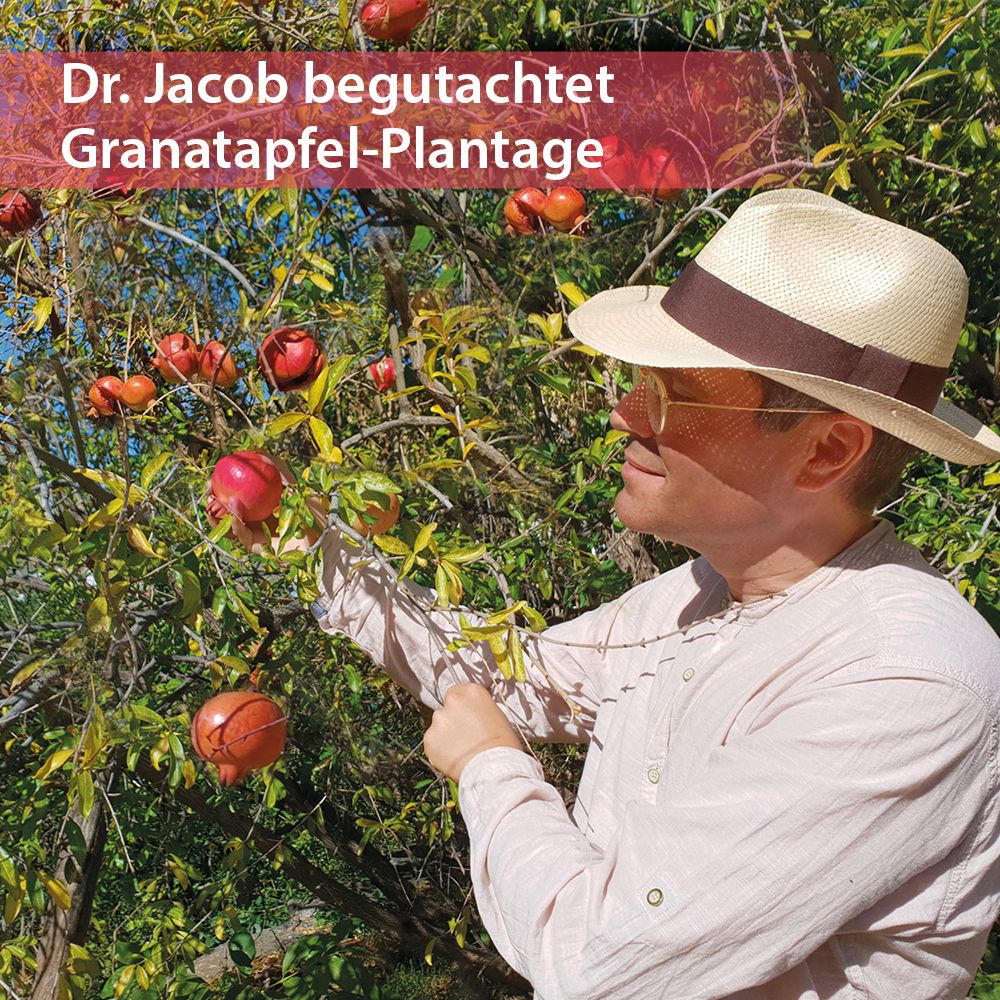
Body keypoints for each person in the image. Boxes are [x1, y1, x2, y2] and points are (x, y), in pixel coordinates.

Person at [309, 189, 1000, 999]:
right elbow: (515, 674)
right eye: (638, 380)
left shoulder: (899, 683)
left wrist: (490, 768)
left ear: (826, 452)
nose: (624, 414)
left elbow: (597, 960)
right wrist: (311, 544)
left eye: (671, 393)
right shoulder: (697, 593)